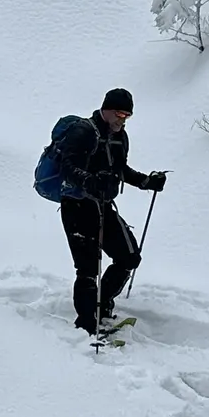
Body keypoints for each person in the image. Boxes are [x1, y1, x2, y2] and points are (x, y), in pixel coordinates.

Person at [50, 88, 166, 333]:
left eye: (127, 116)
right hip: (76, 205)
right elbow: (68, 166)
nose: (122, 120)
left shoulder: (120, 137)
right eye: (119, 114)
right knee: (88, 268)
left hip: (102, 205)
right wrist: (89, 180)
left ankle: (102, 307)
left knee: (129, 257)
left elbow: (120, 168)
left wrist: (147, 182)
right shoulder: (83, 131)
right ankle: (86, 324)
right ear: (106, 109)